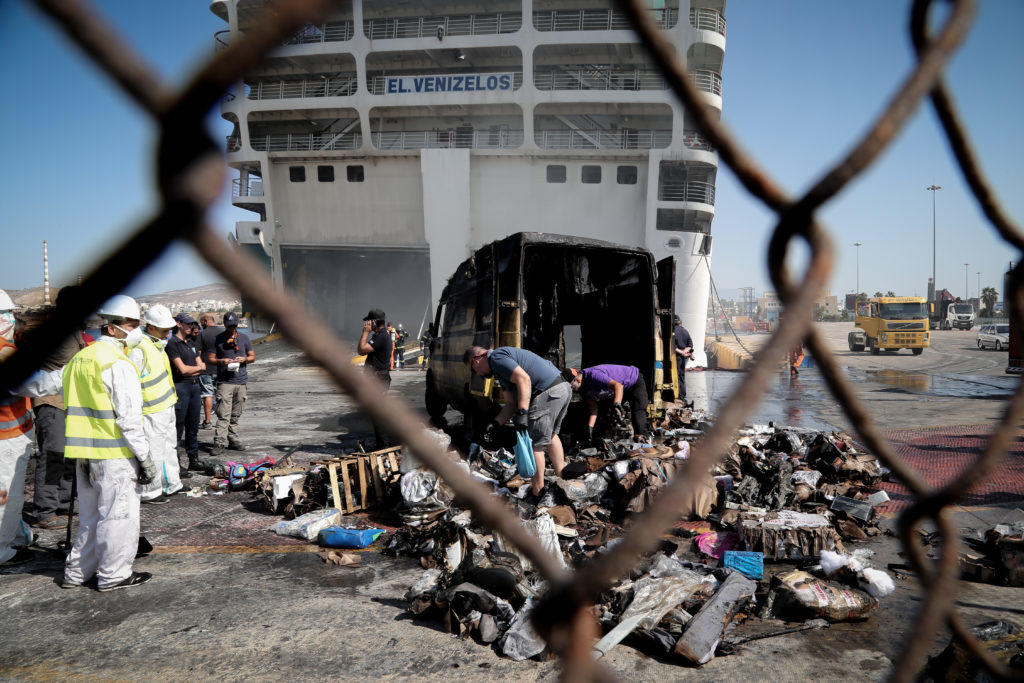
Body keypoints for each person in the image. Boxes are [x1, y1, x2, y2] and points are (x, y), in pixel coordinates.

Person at [60, 294, 156, 590]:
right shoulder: (117, 363)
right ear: (112, 328)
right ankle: (114, 575)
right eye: (131, 323)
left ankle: (76, 574)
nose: (136, 329)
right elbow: (129, 420)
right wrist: (146, 459)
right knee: (118, 517)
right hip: (114, 456)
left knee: (89, 518)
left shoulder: (80, 358)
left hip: (84, 455)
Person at [464, 345, 571, 497]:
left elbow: (524, 379)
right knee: (551, 435)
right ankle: (563, 482)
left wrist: (523, 412)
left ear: (476, 360)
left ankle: (537, 492)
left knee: (535, 442)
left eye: (473, 369)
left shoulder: (496, 358)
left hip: (548, 391)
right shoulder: (500, 370)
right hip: (562, 388)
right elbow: (511, 404)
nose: (478, 374)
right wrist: (494, 424)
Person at [28, 286, 86, 529]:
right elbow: (72, 364)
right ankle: (46, 510)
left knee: (69, 457)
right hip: (52, 403)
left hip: (68, 402)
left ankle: (62, 504)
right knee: (53, 457)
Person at [128, 305, 181, 502]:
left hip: (166, 404)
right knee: (155, 450)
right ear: (150, 328)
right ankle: (151, 491)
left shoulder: (157, 344)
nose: (168, 334)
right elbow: (132, 382)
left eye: (169, 330)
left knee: (169, 447)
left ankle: (172, 483)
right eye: (164, 330)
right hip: (151, 409)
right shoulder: (140, 348)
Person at [0, 290, 37, 566]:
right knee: (8, 496)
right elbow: (33, 385)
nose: (10, 319)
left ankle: (17, 535)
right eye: (6, 314)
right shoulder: (5, 350)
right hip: (8, 435)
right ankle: (4, 551)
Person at [207, 312, 254, 456]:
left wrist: (244, 359)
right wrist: (222, 361)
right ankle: (219, 441)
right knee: (223, 413)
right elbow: (210, 358)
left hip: (241, 381)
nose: (232, 328)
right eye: (229, 326)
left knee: (236, 413)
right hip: (225, 382)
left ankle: (233, 438)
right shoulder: (218, 339)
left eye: (234, 326)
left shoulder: (244, 338)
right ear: (225, 324)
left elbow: (252, 357)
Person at [565, 364, 649, 440]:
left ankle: (643, 442)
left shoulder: (593, 375)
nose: (572, 391)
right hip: (617, 390)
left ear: (577, 380)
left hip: (633, 381)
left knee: (638, 412)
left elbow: (618, 386)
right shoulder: (582, 390)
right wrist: (590, 428)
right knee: (608, 415)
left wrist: (617, 404)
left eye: (571, 388)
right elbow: (593, 408)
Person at [167, 314, 205, 474]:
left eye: (192, 324)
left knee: (193, 425)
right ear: (179, 324)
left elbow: (200, 363)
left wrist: (196, 368)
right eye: (188, 324)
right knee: (178, 426)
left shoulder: (190, 342)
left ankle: (193, 459)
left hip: (195, 387)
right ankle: (176, 463)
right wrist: (198, 368)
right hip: (181, 387)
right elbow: (182, 370)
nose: (191, 327)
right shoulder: (172, 344)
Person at [357, 309, 393, 447]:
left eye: (368, 321)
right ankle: (383, 444)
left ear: (374, 322)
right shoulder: (380, 335)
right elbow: (361, 350)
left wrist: (365, 333)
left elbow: (361, 350)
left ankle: (384, 446)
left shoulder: (381, 336)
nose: (366, 324)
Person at [196, 313, 222, 429]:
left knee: (207, 395)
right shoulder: (222, 332)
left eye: (201, 322)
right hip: (221, 369)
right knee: (221, 395)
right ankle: (221, 421)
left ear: (205, 321)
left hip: (206, 370)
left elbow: (198, 353)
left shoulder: (202, 334)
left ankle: (207, 422)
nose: (201, 325)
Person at [673, 316, 694, 405]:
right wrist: (686, 351)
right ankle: (682, 396)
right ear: (680, 322)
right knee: (682, 376)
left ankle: (676, 395)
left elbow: (672, 347)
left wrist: (681, 352)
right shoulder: (685, 331)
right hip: (684, 357)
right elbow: (690, 345)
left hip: (677, 357)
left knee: (676, 376)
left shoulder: (673, 331)